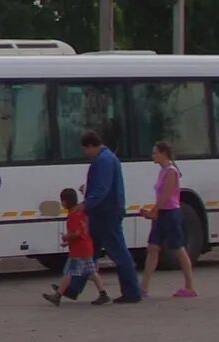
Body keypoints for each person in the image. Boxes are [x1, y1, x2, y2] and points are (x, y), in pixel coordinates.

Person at [79, 128, 143, 303]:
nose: (86, 153)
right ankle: (71, 286)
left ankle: (132, 292)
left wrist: (85, 204)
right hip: (103, 212)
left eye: (86, 149)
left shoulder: (104, 161)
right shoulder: (107, 159)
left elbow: (102, 189)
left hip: (106, 213)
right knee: (88, 252)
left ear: (92, 145)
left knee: (118, 253)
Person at [42, 186, 106, 306]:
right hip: (86, 247)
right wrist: (68, 242)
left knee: (69, 273)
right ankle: (103, 294)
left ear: (65, 202)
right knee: (92, 272)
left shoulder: (72, 216)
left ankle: (57, 296)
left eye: (61, 201)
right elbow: (81, 232)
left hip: (78, 251)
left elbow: (75, 233)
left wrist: (66, 237)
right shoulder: (81, 213)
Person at [149, 139, 197, 298]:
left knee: (178, 248)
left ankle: (190, 286)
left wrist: (154, 210)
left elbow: (167, 194)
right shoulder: (162, 170)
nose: (153, 156)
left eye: (155, 152)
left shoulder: (171, 171)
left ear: (163, 154)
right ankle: (143, 287)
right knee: (153, 247)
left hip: (170, 213)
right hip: (162, 213)